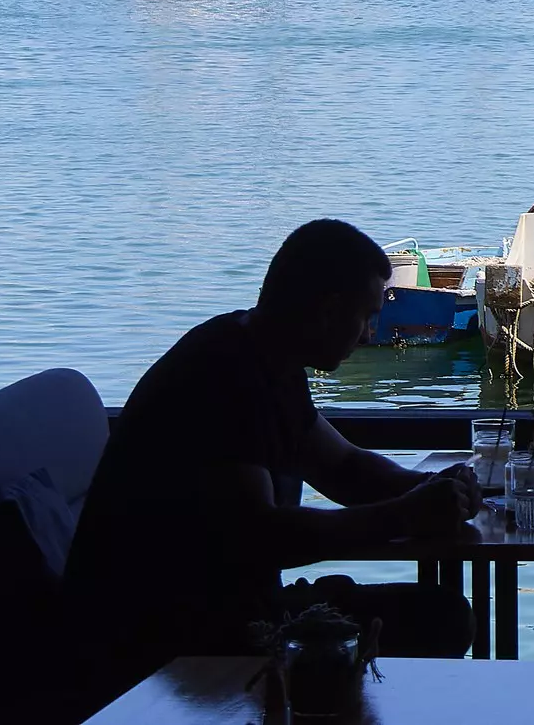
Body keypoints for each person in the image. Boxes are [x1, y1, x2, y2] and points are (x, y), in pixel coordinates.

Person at [64, 219, 480, 699]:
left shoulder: (262, 353)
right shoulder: (222, 377)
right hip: (168, 633)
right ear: (328, 309)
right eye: (366, 316)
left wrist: (428, 488)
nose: (370, 334)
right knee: (437, 622)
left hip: (227, 605)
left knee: (442, 616)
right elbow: (260, 537)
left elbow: (343, 467)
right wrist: (405, 513)